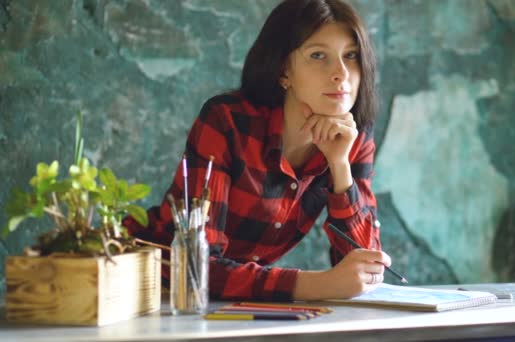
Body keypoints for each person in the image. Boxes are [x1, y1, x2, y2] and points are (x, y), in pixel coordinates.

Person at [124, 0, 390, 301]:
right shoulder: (227, 122)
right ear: (283, 71)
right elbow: (196, 267)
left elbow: (366, 266)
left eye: (351, 56)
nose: (341, 73)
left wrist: (340, 166)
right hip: (147, 285)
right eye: (318, 55)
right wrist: (320, 284)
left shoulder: (353, 135)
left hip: (231, 301)